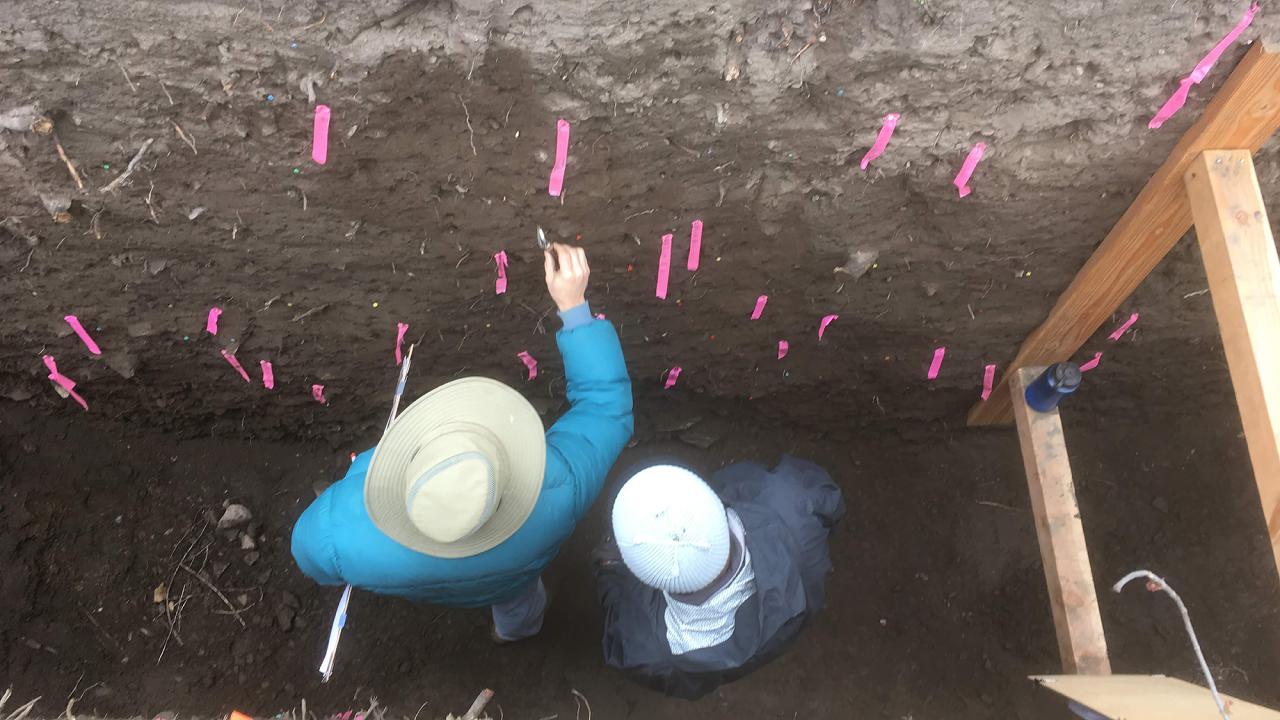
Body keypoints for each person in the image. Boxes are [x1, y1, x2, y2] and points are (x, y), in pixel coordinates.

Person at [291, 243, 633, 644]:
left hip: (428, 586)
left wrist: (363, 471)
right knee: (518, 603)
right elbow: (605, 410)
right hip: (511, 577)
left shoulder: (337, 530)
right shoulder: (557, 488)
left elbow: (310, 559)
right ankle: (514, 633)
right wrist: (574, 308)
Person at [593, 456, 845, 699]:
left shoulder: (646, 650)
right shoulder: (788, 500)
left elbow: (619, 633)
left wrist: (608, 567)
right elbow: (826, 495)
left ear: (643, 573)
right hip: (792, 618)